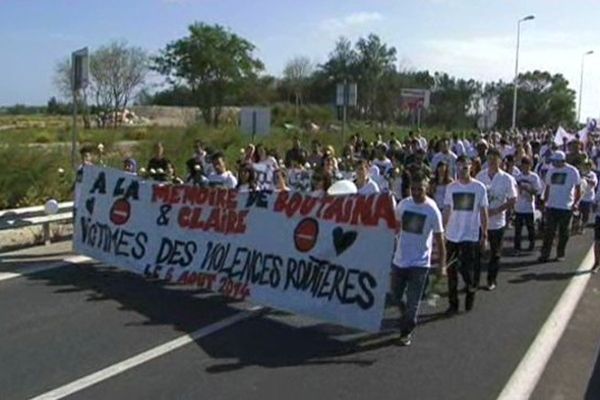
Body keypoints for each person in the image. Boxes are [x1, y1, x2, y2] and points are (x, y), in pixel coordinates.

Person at [392, 174, 446, 346]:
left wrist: (441, 265)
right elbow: (395, 227)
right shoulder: (403, 204)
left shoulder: (432, 210)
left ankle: (406, 331)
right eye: (413, 189)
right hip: (400, 260)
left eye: (419, 189)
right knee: (395, 296)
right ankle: (406, 319)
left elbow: (439, 239)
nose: (415, 192)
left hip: (420, 264)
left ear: (427, 188)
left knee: (413, 301)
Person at [443, 155, 488, 313]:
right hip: (452, 235)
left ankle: (470, 289)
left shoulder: (479, 188)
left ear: (471, 168)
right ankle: (453, 303)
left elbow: (483, 211)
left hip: (470, 235)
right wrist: (442, 229)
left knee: (466, 269)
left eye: (465, 167)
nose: (462, 171)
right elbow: (448, 209)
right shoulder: (451, 188)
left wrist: (485, 233)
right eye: (459, 167)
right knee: (451, 271)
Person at [476, 148, 517, 290]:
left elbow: (512, 199)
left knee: (495, 253)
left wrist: (497, 210)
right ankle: (474, 281)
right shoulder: (480, 176)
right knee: (477, 254)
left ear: (500, 161)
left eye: (495, 159)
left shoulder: (507, 179)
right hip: (480, 222)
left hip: (498, 222)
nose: (492, 162)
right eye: (489, 159)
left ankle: (491, 279)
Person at [539, 151, 582, 262]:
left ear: (562, 161)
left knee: (564, 232)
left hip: (566, 206)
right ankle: (545, 254)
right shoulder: (551, 171)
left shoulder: (572, 171)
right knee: (549, 232)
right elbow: (548, 187)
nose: (553, 163)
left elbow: (578, 189)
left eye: (556, 161)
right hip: (552, 206)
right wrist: (545, 201)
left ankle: (560, 253)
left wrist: (576, 203)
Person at [513, 157, 542, 253]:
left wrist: (527, 189)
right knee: (518, 229)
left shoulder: (534, 177)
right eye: (524, 165)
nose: (525, 167)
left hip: (529, 207)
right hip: (519, 207)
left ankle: (531, 244)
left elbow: (537, 191)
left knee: (530, 227)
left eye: (527, 165)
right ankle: (517, 247)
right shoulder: (517, 177)